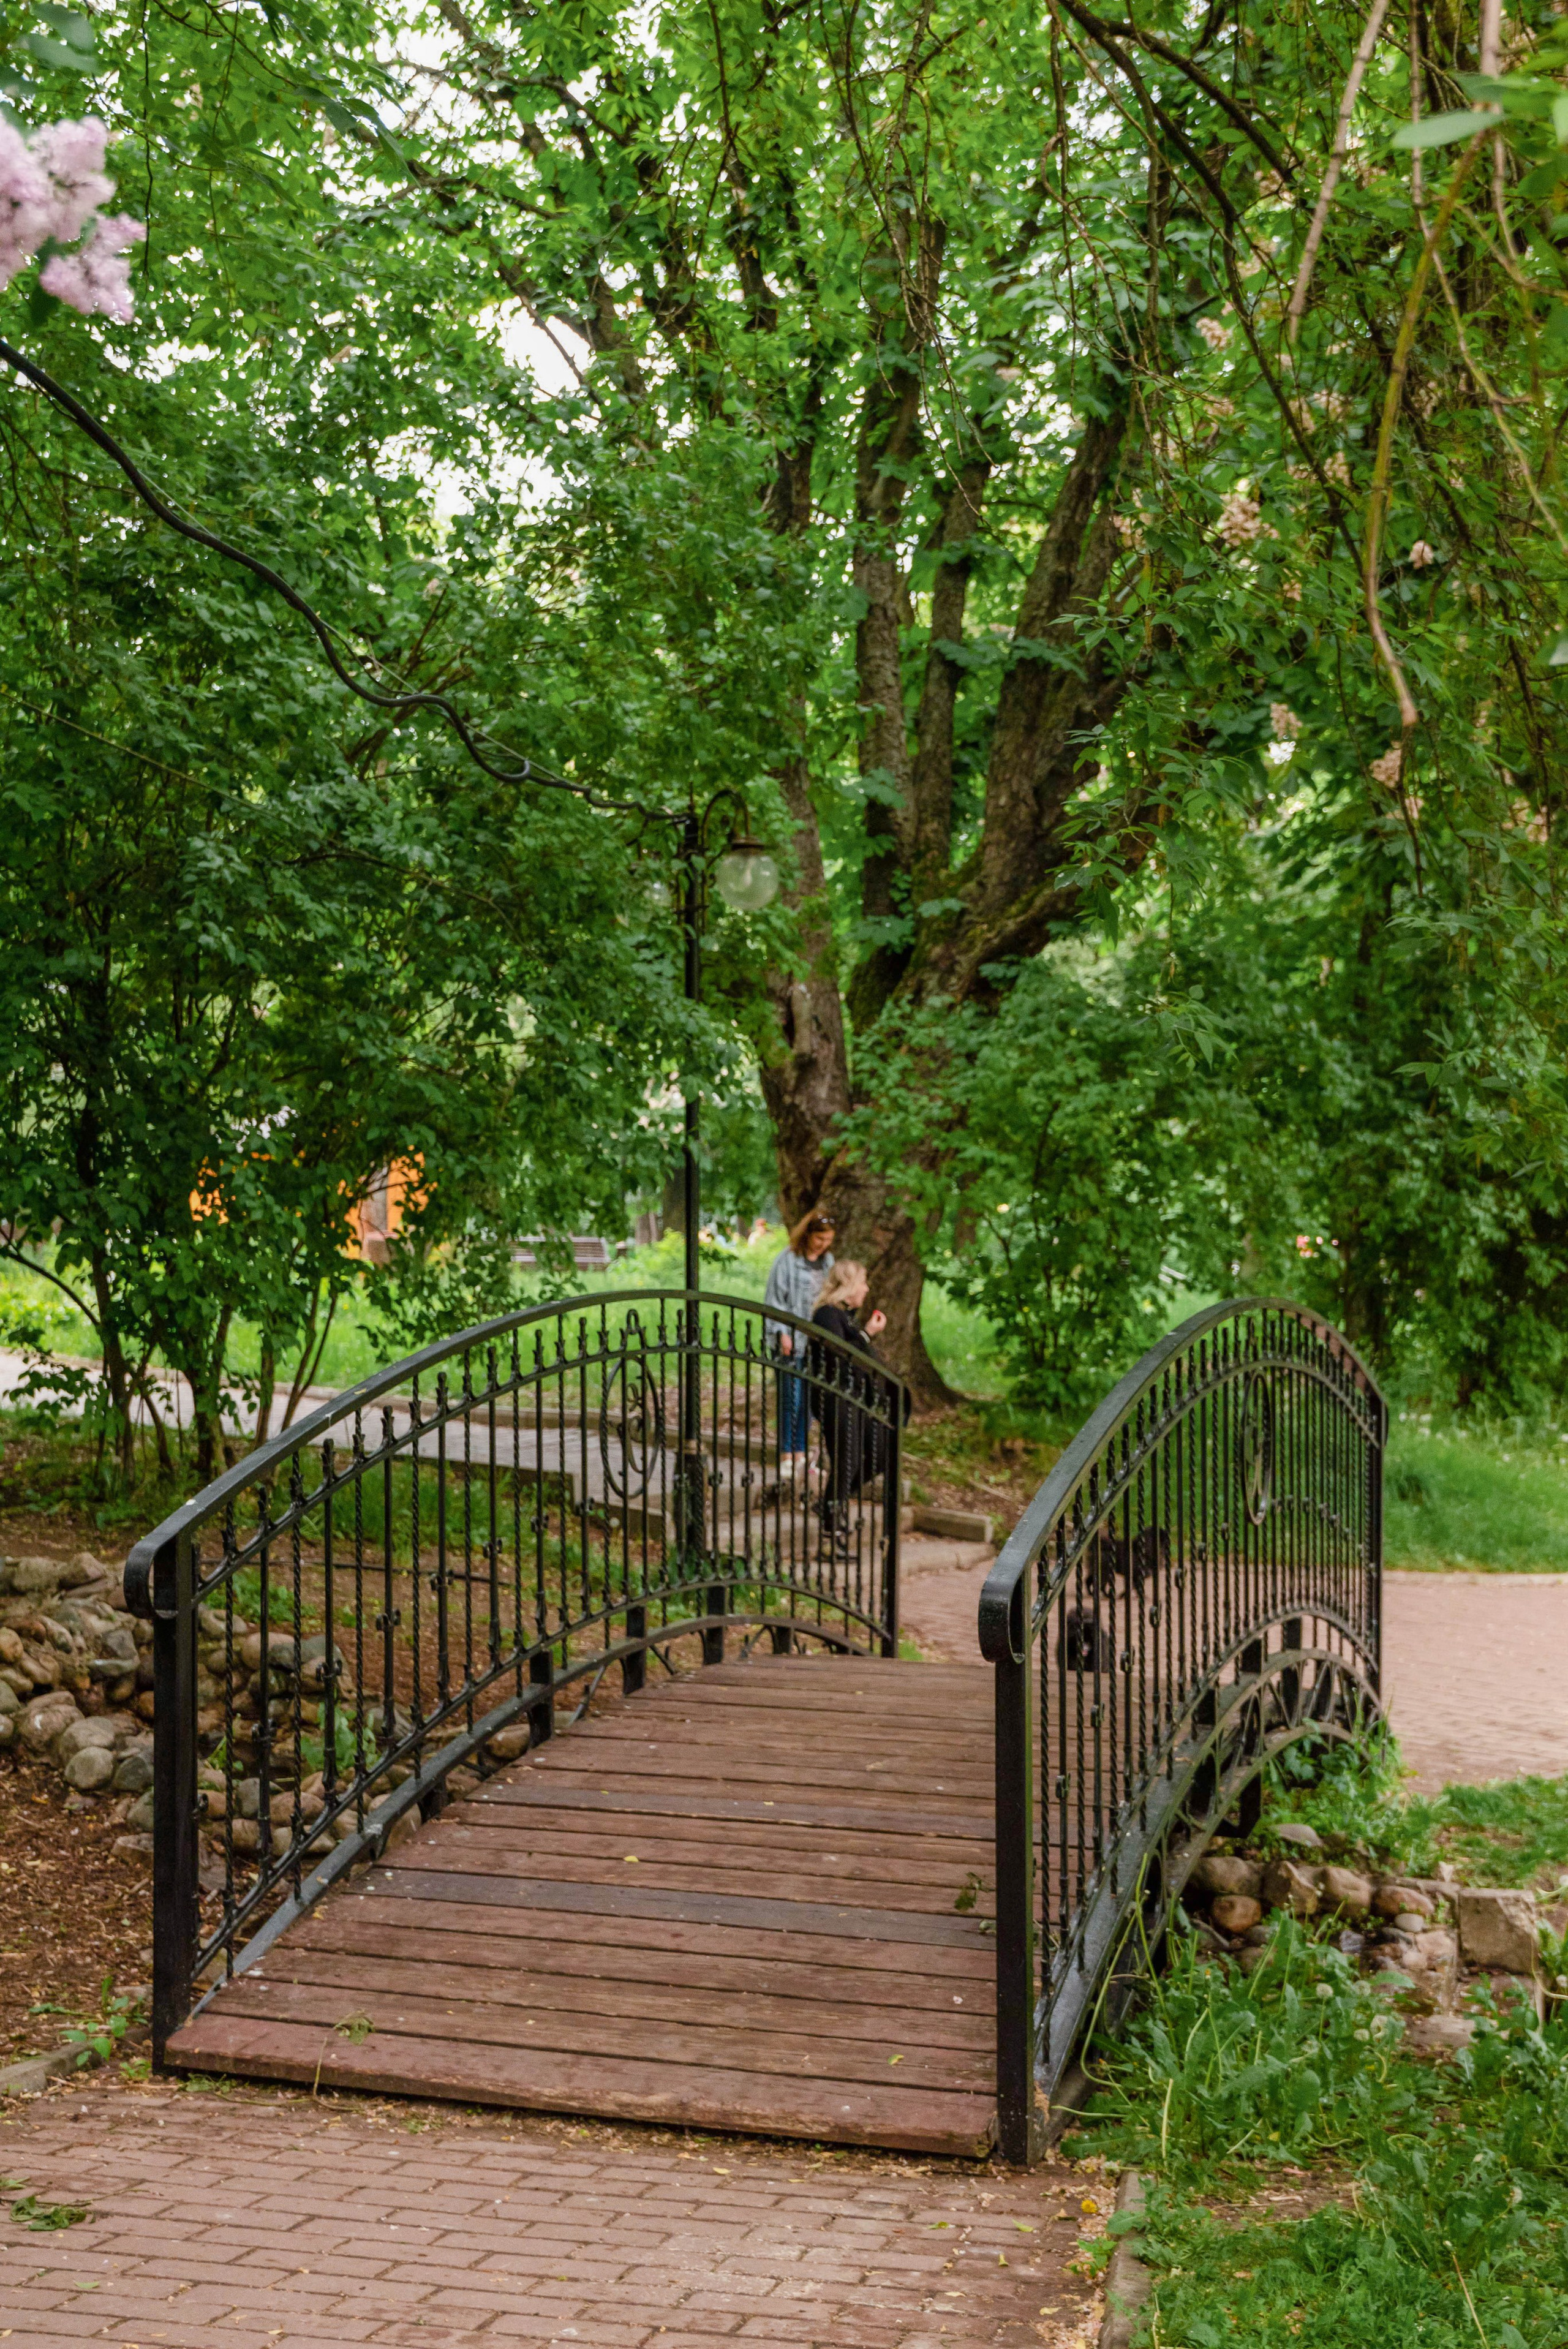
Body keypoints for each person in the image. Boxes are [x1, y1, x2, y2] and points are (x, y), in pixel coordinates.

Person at [809, 1259, 900, 1545]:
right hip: (835, 1398)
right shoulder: (827, 1315)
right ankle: (832, 1520)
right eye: (862, 1282)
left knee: (882, 1453)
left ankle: (830, 1503)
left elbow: (857, 1357)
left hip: (856, 1400)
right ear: (848, 1287)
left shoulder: (846, 1317)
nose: (867, 1289)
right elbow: (839, 1354)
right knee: (847, 1459)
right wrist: (867, 1334)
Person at [763, 1210, 835, 1480]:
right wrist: (782, 1332)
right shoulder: (788, 1260)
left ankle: (802, 1454)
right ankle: (787, 1454)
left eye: (828, 1239)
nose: (823, 1244)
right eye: (819, 1238)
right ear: (808, 1235)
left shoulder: (828, 1263)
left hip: (815, 1344)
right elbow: (774, 1300)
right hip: (790, 1342)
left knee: (808, 1402)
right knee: (790, 1399)